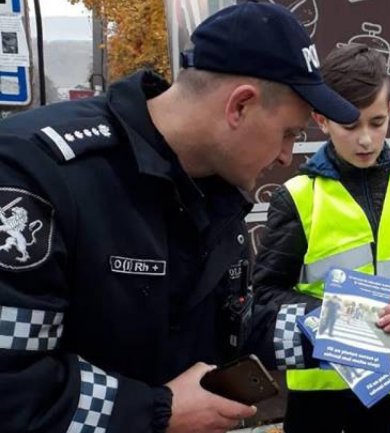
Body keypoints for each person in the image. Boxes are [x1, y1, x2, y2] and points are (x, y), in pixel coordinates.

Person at [0, 3, 361, 433]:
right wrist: (160, 410)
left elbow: (235, 325)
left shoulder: (216, 189)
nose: (286, 156)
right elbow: (14, 389)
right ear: (240, 106)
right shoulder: (36, 170)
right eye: (289, 133)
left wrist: (346, 329)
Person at [252, 43, 390, 433]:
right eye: (350, 125)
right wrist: (346, 315)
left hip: (389, 384)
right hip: (319, 389)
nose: (366, 140)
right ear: (322, 120)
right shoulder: (298, 197)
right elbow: (266, 295)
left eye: (376, 122)